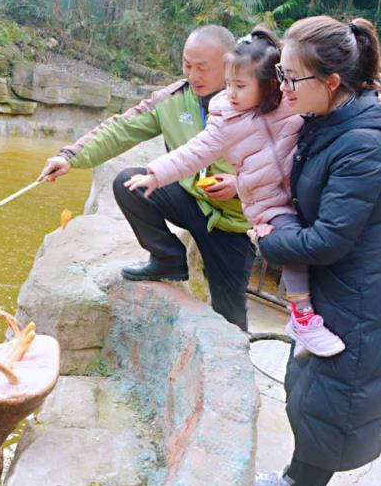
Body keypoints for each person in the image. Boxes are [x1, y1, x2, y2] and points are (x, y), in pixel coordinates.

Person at [249, 16, 381, 486]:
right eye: (280, 73)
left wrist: (269, 241)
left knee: (333, 406)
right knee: (308, 392)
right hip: (333, 290)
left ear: (333, 81)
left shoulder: (362, 145)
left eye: (291, 77)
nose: (283, 87)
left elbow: (329, 239)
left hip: (356, 298)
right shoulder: (328, 121)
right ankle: (289, 479)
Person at [123, 27, 345, 359]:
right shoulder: (226, 116)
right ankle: (302, 319)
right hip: (267, 206)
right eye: (228, 84)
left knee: (316, 252)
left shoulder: (289, 103)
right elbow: (195, 151)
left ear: (269, 85)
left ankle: (300, 323)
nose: (230, 93)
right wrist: (157, 173)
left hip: (299, 195)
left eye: (239, 86)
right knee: (292, 250)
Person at [39, 25, 255, 331]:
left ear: (230, 64)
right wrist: (70, 157)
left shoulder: (256, 104)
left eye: (202, 68)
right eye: (187, 65)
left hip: (234, 223)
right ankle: (168, 258)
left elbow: (281, 166)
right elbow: (122, 128)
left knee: (228, 315)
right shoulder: (175, 98)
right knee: (130, 183)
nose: (193, 76)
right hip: (191, 199)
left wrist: (239, 185)